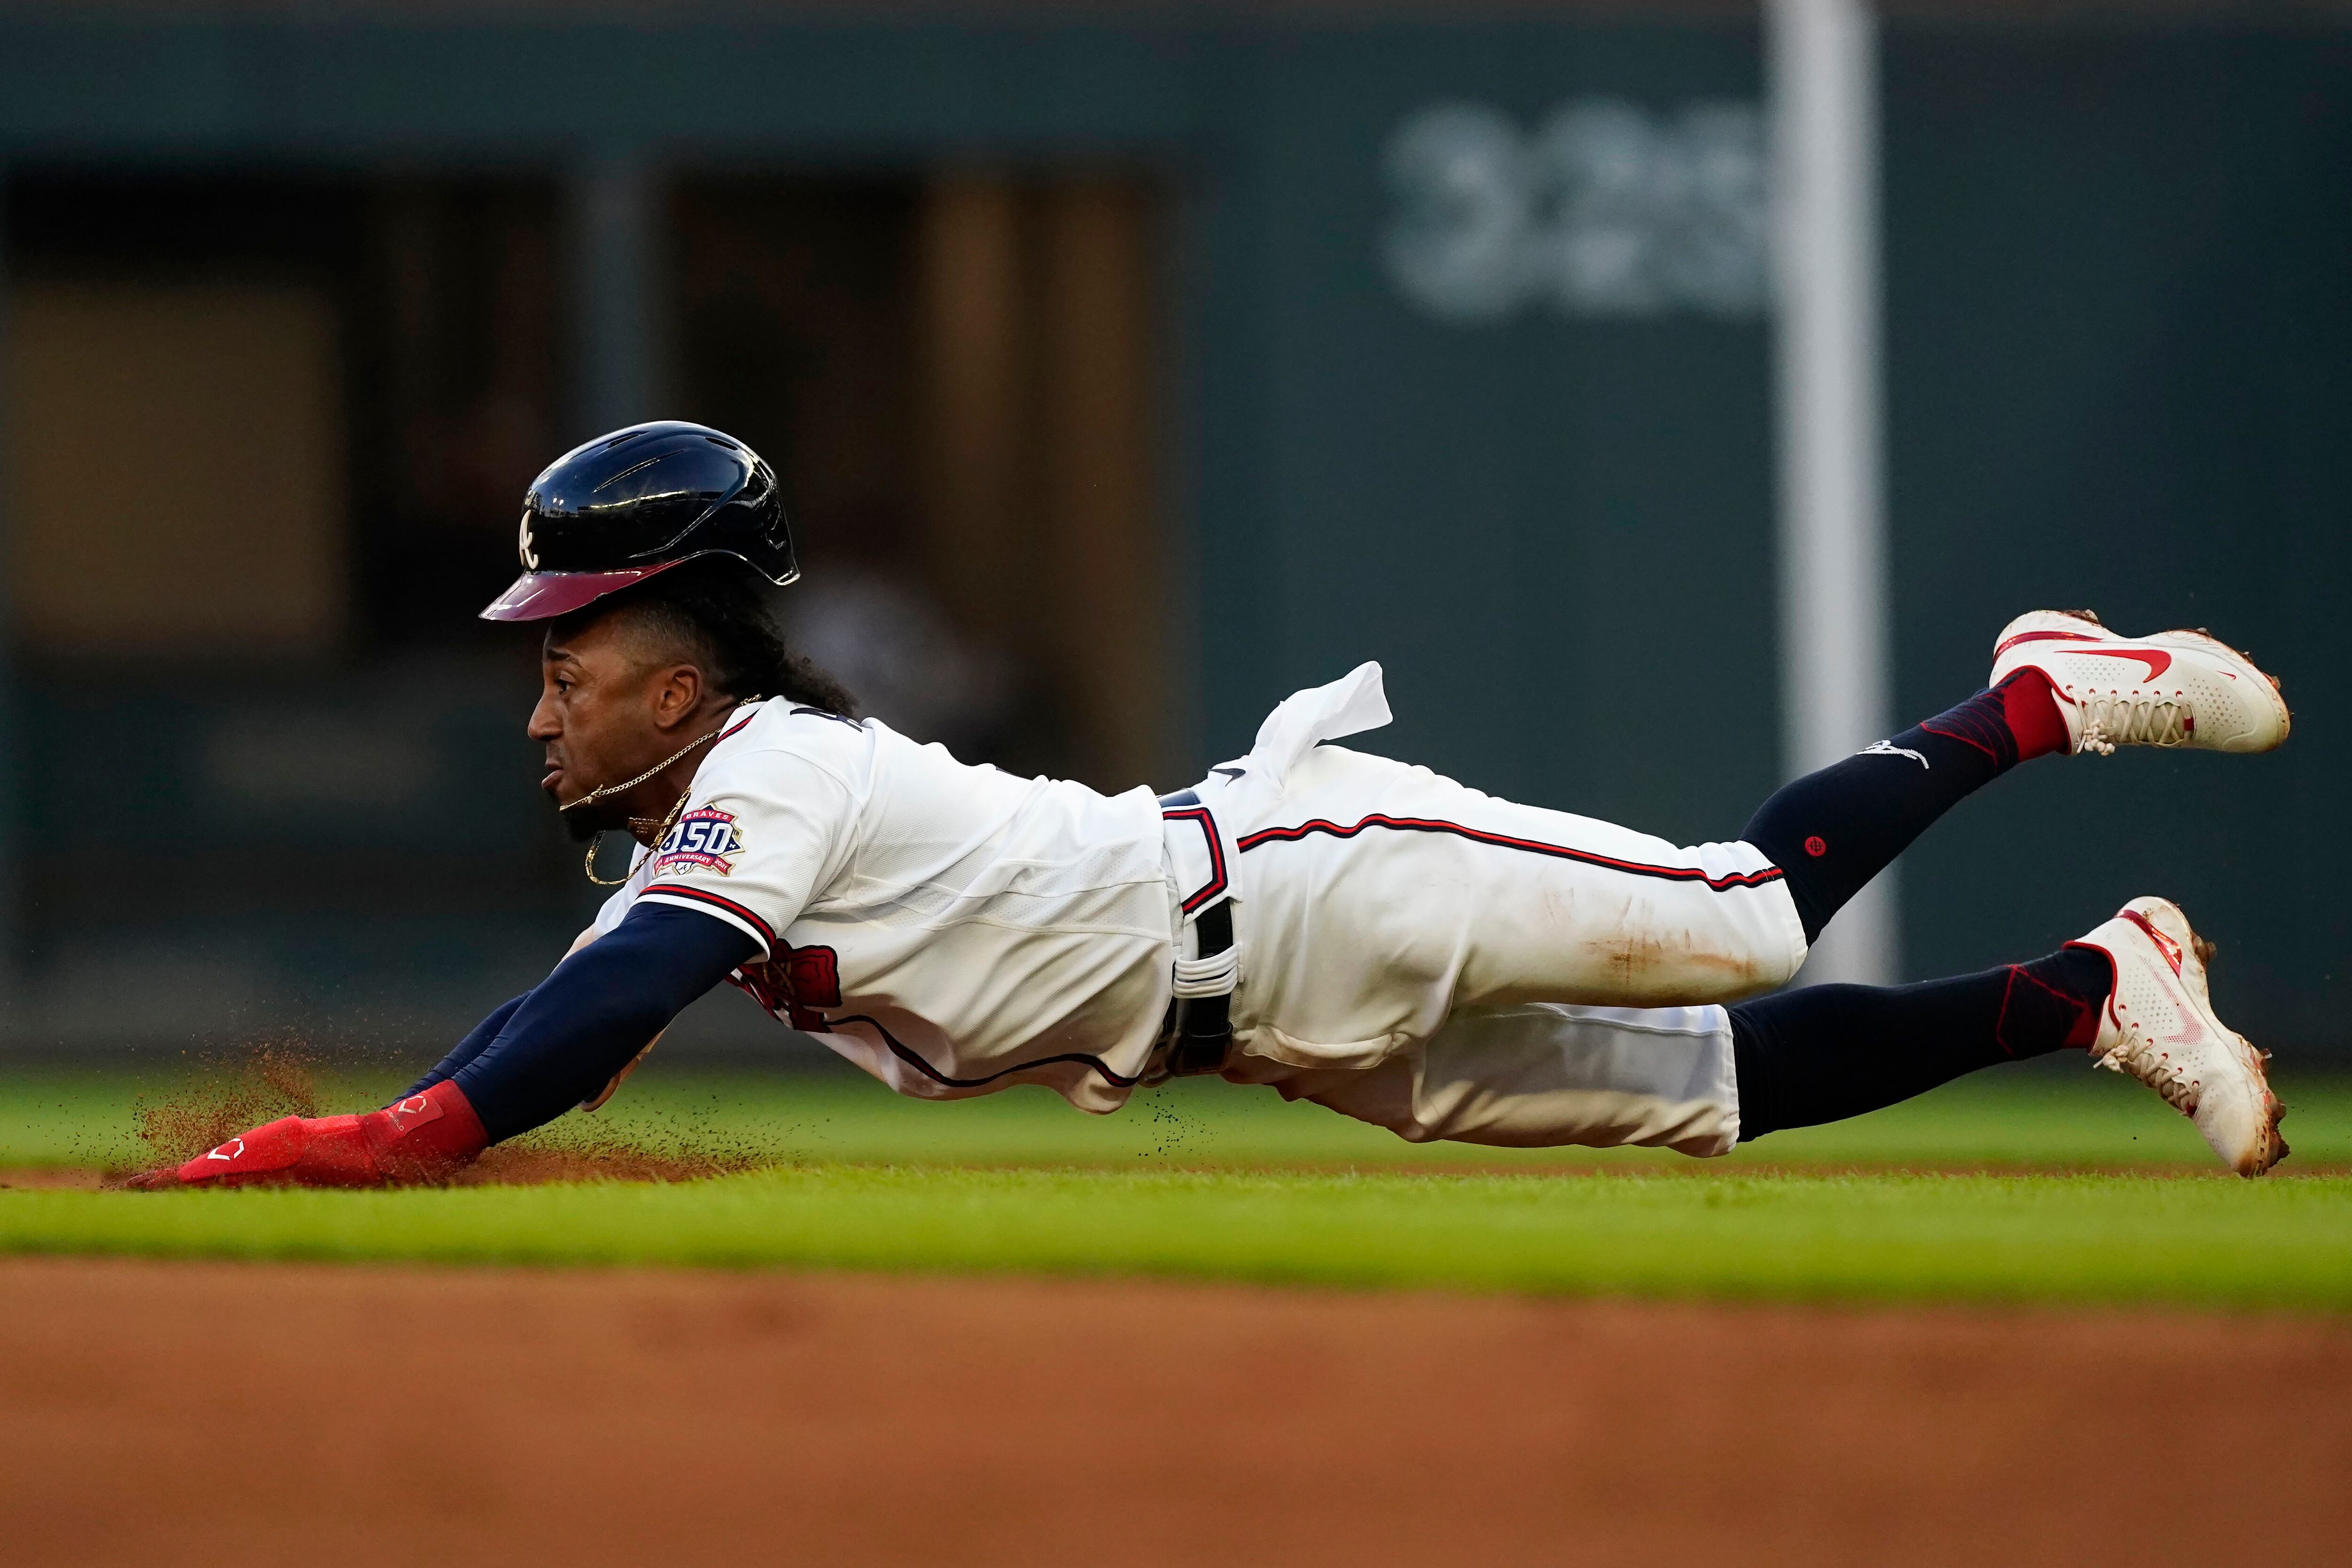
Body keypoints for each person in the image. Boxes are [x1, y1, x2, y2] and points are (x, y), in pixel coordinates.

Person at [143, 421, 2290, 1190]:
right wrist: (423, 1112)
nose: (541, 700)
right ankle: (2090, 991)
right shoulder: (740, 783)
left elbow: (601, 1014)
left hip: (1292, 884)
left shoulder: (765, 772)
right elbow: (602, 987)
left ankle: (2036, 693)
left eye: (564, 652)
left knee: (1738, 913)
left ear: (679, 650)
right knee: (1700, 1094)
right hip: (1260, 1022)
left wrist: (411, 1132)